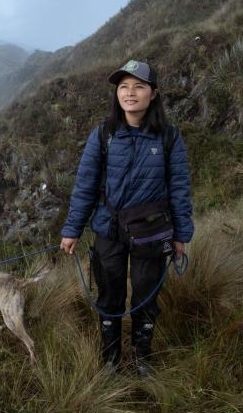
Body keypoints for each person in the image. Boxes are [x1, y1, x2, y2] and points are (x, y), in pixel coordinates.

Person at [60, 59, 193, 375]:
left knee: (147, 296)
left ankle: (142, 358)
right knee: (110, 295)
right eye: (123, 87)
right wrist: (72, 229)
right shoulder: (103, 134)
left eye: (138, 86)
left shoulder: (169, 138)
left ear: (154, 93)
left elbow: (179, 189)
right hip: (109, 229)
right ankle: (111, 359)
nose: (130, 93)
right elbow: (85, 185)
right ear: (117, 94)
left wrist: (181, 236)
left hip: (152, 232)